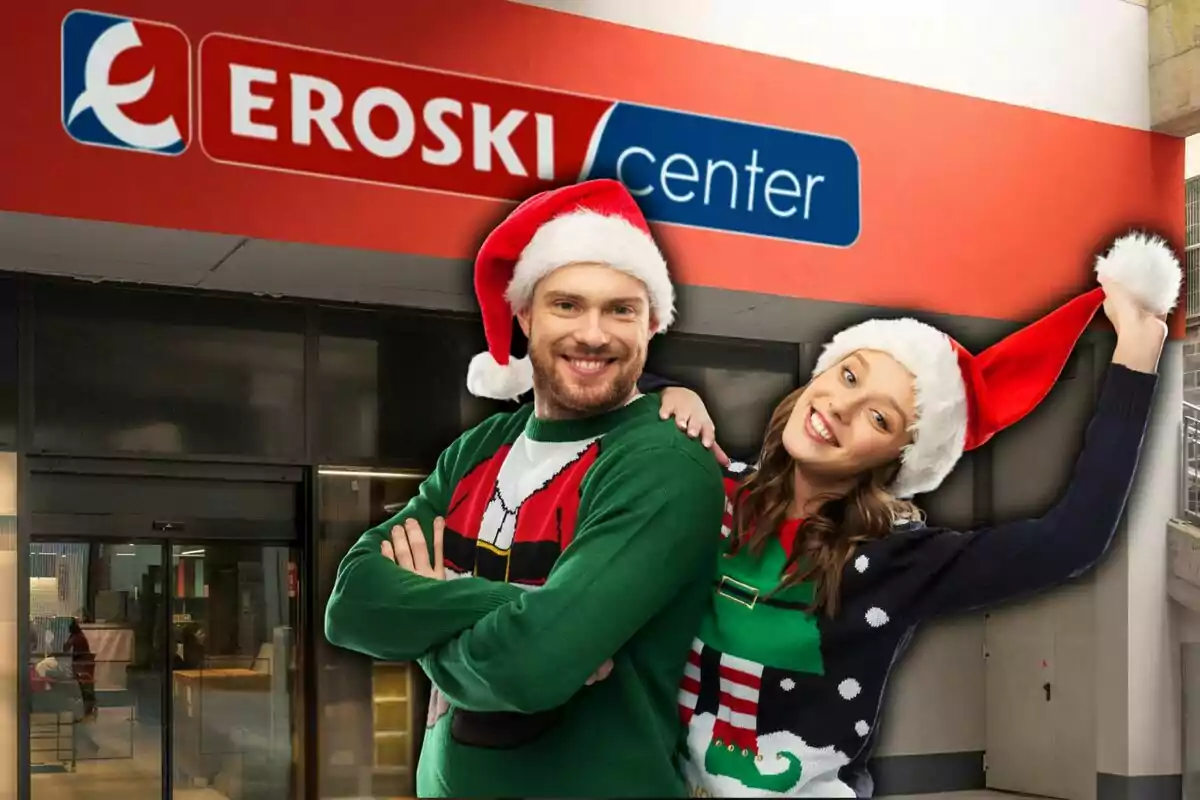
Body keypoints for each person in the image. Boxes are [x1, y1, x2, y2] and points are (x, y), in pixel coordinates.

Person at [647, 231, 1178, 797]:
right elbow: (568, 386)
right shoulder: (713, 489)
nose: (843, 407)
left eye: (880, 419)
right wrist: (667, 393)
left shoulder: (894, 559)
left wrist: (1136, 361)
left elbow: (1071, 541)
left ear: (899, 459)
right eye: (848, 376)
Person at [324, 179, 727, 797]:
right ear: (525, 315)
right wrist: (513, 610)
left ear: (651, 326)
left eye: (622, 309)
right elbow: (352, 605)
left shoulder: (662, 460)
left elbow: (531, 667)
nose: (594, 334)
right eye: (567, 304)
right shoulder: (479, 448)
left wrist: (427, 617)